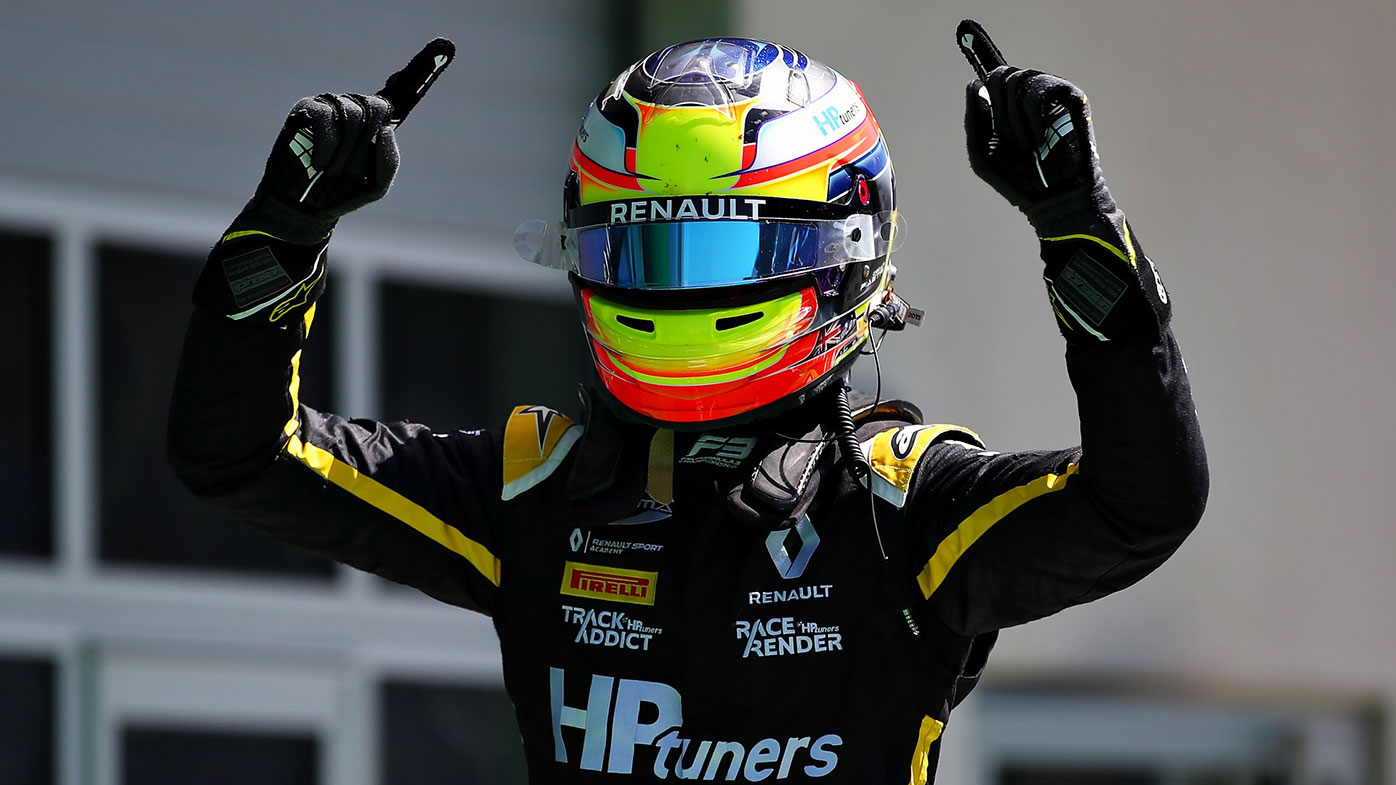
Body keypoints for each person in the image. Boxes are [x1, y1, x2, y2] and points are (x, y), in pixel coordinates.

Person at [169, 22, 1207, 784]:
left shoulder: (900, 507)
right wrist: (284, 235)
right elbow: (239, 453)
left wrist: (1081, 226)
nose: (683, 287)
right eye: (645, 248)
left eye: (727, 250)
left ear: (847, 256)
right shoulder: (539, 486)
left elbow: (1139, 503)